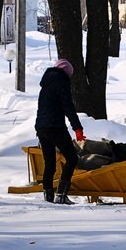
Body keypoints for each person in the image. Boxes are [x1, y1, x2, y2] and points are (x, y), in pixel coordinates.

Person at [34, 58, 85, 204]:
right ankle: (61, 195)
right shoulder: (61, 83)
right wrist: (78, 128)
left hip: (41, 128)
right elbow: (68, 107)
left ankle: (48, 196)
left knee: (49, 162)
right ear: (66, 73)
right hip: (55, 127)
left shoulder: (45, 85)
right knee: (72, 158)